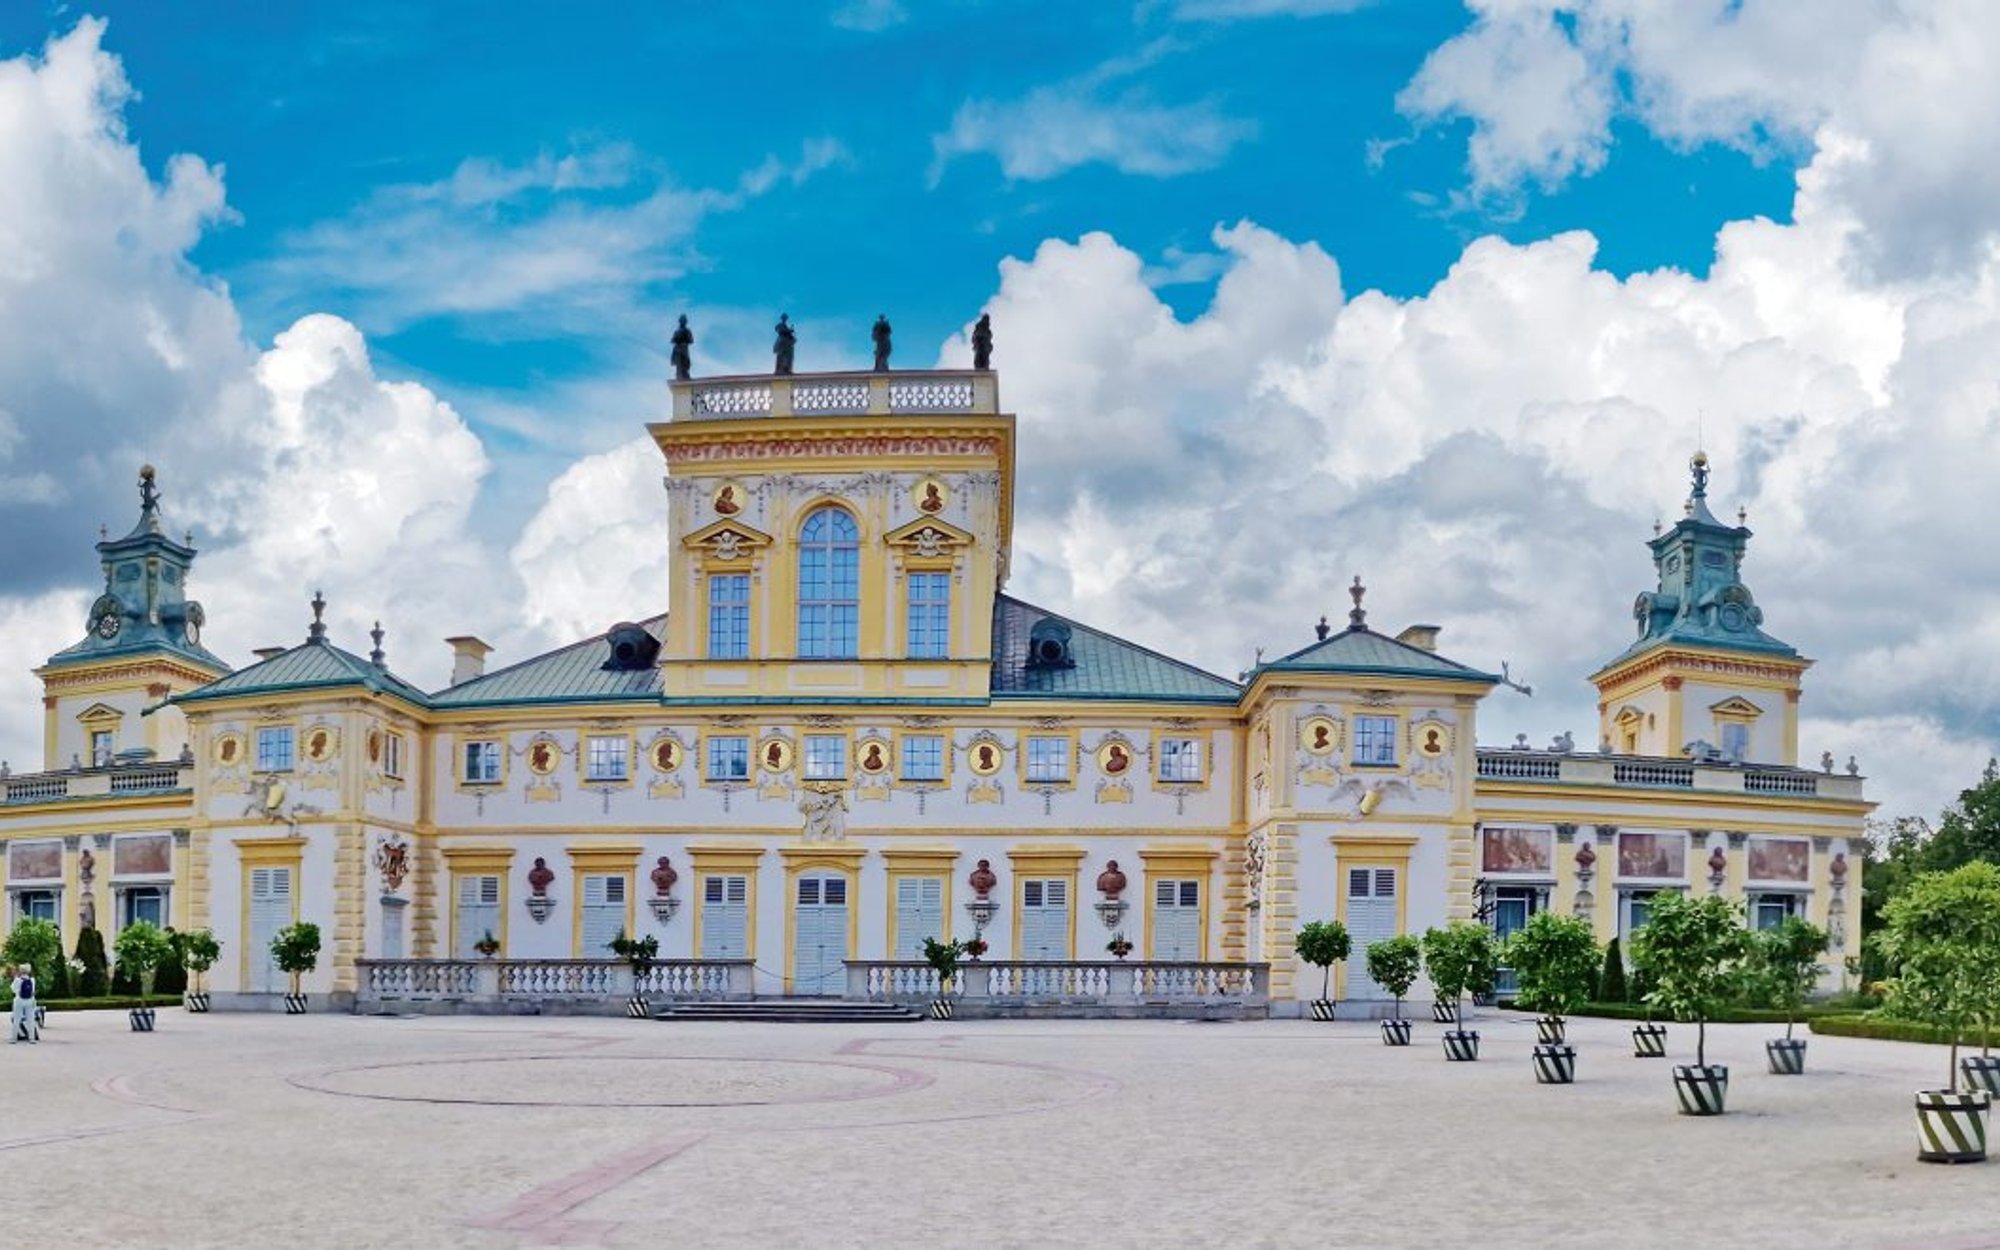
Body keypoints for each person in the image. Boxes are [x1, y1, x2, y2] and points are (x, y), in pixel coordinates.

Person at [11, 964, 38, 1043]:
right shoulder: (32, 980)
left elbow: (13, 989)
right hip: (30, 1000)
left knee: (17, 1019)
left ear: (20, 971)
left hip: (19, 1000)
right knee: (30, 1020)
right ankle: (31, 1038)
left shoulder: (18, 980)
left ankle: (14, 1038)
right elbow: (33, 991)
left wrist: (15, 978)